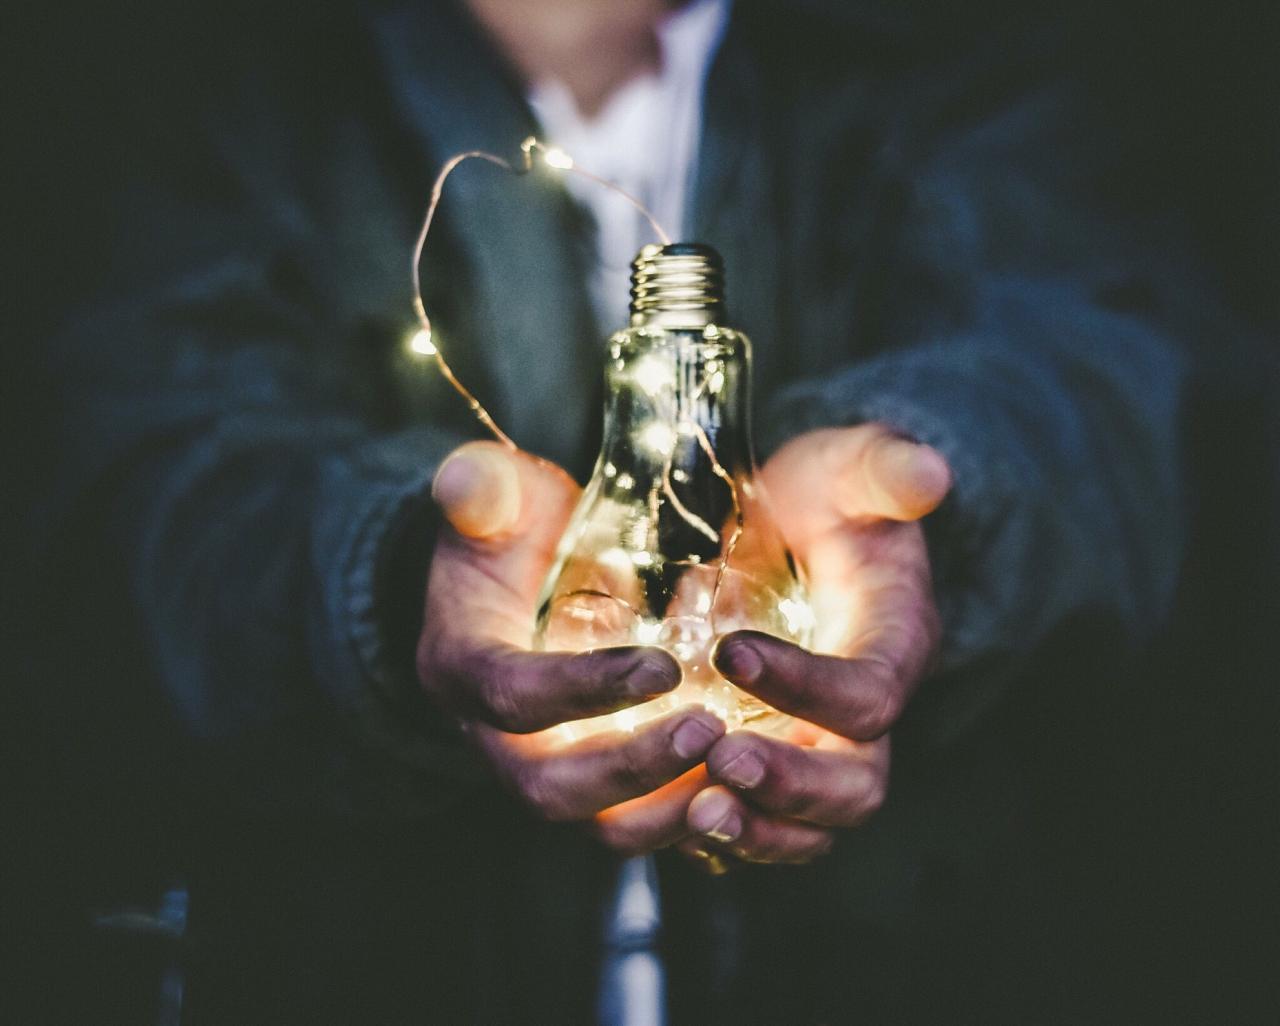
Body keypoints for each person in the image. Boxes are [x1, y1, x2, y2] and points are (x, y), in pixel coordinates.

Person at [18, 0, 1274, 1022]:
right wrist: (395, 580)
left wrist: (932, 501)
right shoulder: (236, 83)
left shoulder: (952, 58)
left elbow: (1126, 370)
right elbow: (120, 479)